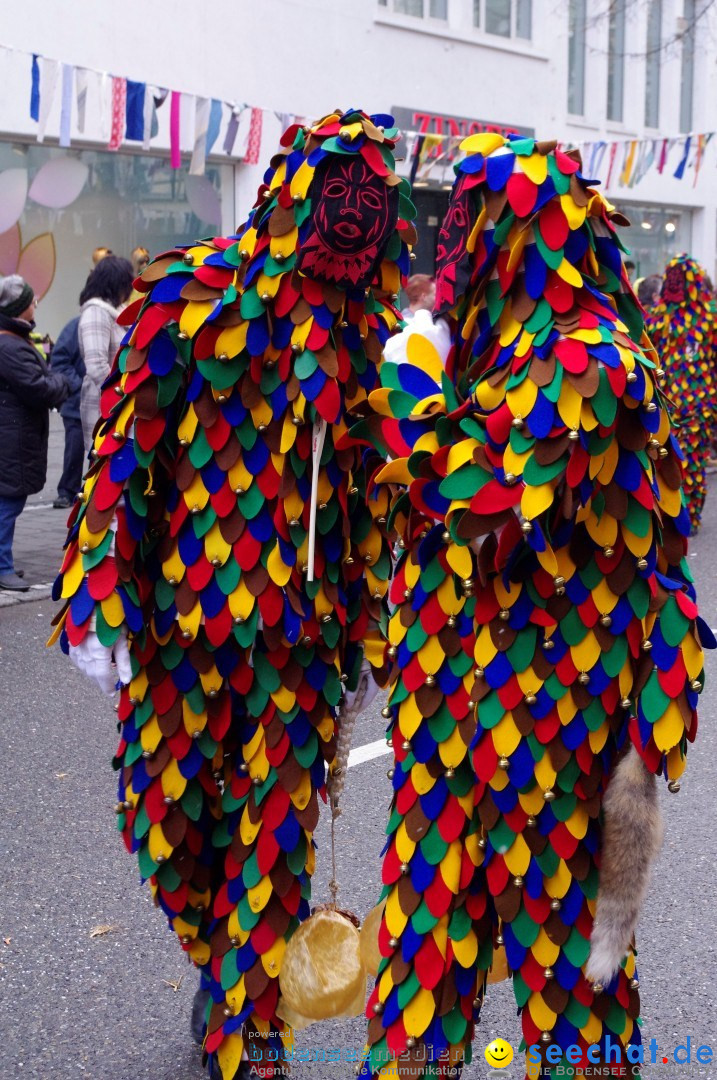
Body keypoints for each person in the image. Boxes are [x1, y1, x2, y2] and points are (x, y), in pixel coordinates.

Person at [51, 110, 416, 1080]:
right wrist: (98, 591)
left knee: (275, 843)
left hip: (301, 650)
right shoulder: (186, 298)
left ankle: (251, 1033)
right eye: (340, 200)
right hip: (183, 629)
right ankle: (227, 963)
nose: (355, 220)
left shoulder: (361, 335)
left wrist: (370, 631)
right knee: (163, 821)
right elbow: (121, 458)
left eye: (371, 208)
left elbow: (363, 499)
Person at [353, 135, 708, 1080]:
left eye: (467, 222)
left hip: (544, 738)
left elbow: (475, 491)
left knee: (565, 988)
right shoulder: (483, 353)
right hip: (441, 727)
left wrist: (413, 379)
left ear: (520, 238)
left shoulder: (590, 360)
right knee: (418, 970)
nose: (452, 245)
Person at [0, 274, 67, 590]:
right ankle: (2, 568)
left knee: (9, 501)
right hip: (11, 438)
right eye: (30, 300)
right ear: (19, 307)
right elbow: (38, 387)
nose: (36, 303)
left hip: (14, 435)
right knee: (8, 503)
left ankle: (5, 562)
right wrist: (62, 382)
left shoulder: (14, 340)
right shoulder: (10, 345)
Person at [645, 254, 717, 535]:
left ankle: (685, 515)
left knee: (684, 458)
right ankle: (681, 514)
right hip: (673, 404)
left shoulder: (707, 319)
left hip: (690, 404)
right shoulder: (659, 318)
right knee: (678, 459)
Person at [78, 256, 134, 453]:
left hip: (119, 404)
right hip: (107, 407)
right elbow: (96, 366)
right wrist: (123, 395)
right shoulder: (96, 312)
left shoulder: (116, 309)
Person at [50, 315, 85, 509]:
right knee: (75, 449)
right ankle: (67, 491)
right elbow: (60, 359)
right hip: (76, 405)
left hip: (105, 402)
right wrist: (80, 386)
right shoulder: (76, 325)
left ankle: (94, 491)